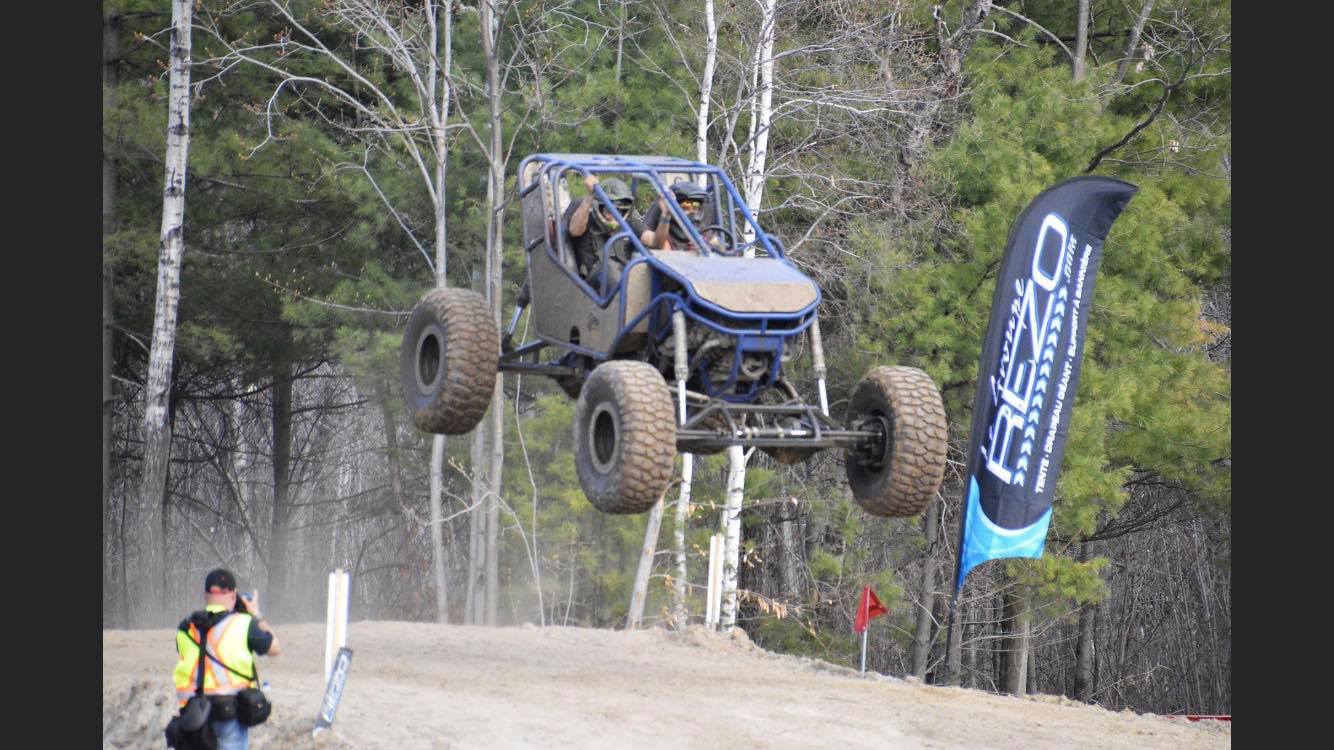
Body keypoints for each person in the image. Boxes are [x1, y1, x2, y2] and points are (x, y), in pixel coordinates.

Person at [171, 568, 280, 750]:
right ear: (234, 594)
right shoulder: (243, 623)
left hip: (193, 717)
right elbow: (274, 648)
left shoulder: (185, 628)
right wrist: (255, 615)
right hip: (228, 714)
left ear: (205, 594)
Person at [563, 173, 643, 284]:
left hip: (624, 273)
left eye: (619, 211)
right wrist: (590, 196)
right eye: (609, 211)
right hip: (593, 280)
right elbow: (574, 231)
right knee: (611, 269)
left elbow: (651, 239)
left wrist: (665, 217)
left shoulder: (629, 219)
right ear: (599, 207)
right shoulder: (585, 211)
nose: (614, 215)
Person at [640, 179, 723, 253]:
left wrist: (710, 247)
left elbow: (722, 251)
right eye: (686, 205)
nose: (691, 211)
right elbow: (656, 243)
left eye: (695, 205)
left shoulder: (705, 233)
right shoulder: (652, 235)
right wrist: (666, 214)